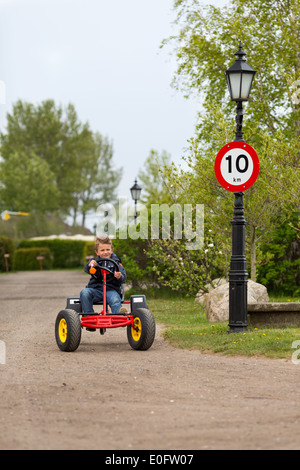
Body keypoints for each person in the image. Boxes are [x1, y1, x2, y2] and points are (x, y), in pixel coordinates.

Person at [80, 234, 127, 316]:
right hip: (96, 290)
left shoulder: (116, 262)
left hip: (111, 290)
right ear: (97, 252)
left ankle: (119, 314)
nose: (105, 252)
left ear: (112, 250)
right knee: (84, 292)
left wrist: (119, 276)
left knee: (115, 300)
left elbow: (123, 277)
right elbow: (86, 269)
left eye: (107, 249)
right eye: (102, 250)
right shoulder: (94, 262)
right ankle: (89, 316)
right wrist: (90, 265)